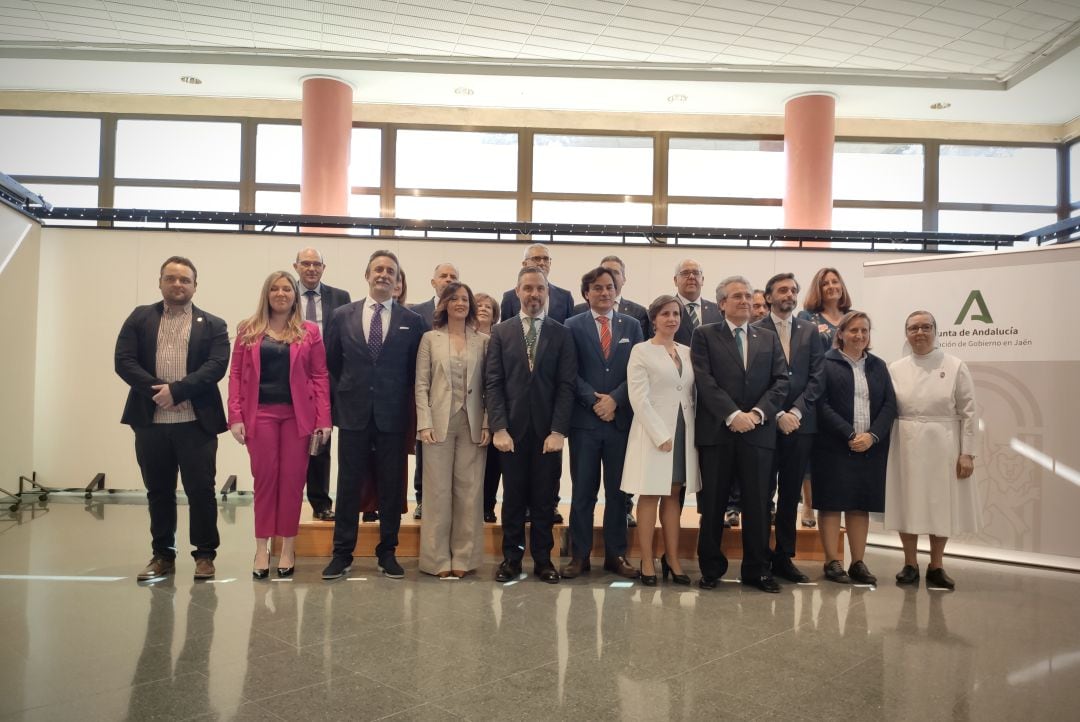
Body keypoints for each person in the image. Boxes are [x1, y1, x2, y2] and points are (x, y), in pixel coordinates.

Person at [114, 256, 229, 581]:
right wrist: (158, 392)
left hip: (196, 423)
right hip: (151, 423)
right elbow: (123, 360)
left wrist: (177, 391)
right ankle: (162, 555)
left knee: (201, 491)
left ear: (195, 285)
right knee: (159, 491)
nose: (178, 284)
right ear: (160, 282)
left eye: (185, 280)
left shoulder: (214, 324)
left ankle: (205, 555)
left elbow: (216, 366)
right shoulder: (140, 318)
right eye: (171, 278)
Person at [321, 250, 427, 580]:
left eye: (390, 271)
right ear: (367, 275)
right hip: (353, 416)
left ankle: (388, 552)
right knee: (348, 484)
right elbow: (331, 364)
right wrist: (346, 397)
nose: (383, 274)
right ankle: (342, 553)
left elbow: (415, 373)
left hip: (393, 418)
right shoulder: (342, 315)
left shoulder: (414, 321)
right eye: (378, 269)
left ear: (397, 281)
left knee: (392, 486)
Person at [227, 271, 332, 578]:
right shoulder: (248, 329)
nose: (281, 293)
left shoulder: (309, 331)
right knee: (265, 481)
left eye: (287, 288)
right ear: (267, 293)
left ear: (294, 295)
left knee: (292, 482)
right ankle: (262, 549)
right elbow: (235, 376)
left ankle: (287, 547)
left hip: (298, 417)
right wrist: (235, 417)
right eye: (275, 288)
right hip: (259, 415)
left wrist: (324, 419)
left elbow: (320, 376)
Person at [691, 275, 788, 593]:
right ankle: (711, 569)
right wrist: (733, 415)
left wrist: (757, 414)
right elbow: (704, 381)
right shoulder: (704, 335)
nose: (745, 301)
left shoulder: (768, 337)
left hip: (758, 433)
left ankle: (757, 570)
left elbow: (781, 382)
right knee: (714, 504)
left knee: (759, 505)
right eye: (737, 296)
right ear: (721, 304)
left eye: (748, 295)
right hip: (719, 432)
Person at [487, 266, 576, 584]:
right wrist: (498, 427)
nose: (534, 294)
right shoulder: (501, 332)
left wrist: (558, 431)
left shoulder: (561, 332)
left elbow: (566, 385)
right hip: (510, 433)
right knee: (511, 500)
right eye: (528, 288)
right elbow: (494, 382)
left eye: (540, 288)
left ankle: (543, 560)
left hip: (546, 434)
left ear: (547, 292)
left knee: (543, 501)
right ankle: (510, 559)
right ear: (517, 292)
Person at [885, 311, 978, 590]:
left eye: (926, 327)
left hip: (943, 444)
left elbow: (969, 412)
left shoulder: (955, 365)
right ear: (906, 333)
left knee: (940, 505)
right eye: (913, 328)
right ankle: (910, 564)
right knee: (908, 502)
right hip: (905, 441)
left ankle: (936, 566)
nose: (920, 332)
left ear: (936, 331)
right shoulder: (895, 368)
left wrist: (967, 453)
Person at [562, 267, 643, 580]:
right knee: (583, 491)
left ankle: (616, 555)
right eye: (597, 288)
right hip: (585, 422)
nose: (605, 292)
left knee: (618, 494)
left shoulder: (633, 326)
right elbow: (568, 372)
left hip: (619, 423)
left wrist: (616, 400)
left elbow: (637, 372)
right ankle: (579, 556)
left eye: (609, 287)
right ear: (587, 293)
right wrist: (595, 400)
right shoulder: (571, 325)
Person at [813, 311, 897, 585]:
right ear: (841, 333)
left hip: (870, 447)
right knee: (831, 503)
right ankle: (832, 561)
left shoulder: (878, 365)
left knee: (860, 505)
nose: (859, 335)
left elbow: (889, 405)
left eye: (864, 331)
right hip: (833, 445)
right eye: (853, 331)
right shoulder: (826, 363)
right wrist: (849, 433)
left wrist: (872, 436)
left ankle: (858, 562)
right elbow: (820, 404)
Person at [622, 295, 700, 585]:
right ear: (654, 319)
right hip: (654, 433)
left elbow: (690, 393)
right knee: (650, 495)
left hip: (683, 431)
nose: (672, 319)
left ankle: (673, 558)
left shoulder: (687, 351)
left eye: (676, 314)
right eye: (665, 314)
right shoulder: (641, 351)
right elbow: (638, 398)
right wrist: (659, 434)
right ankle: (646, 559)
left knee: (674, 495)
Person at [415, 282, 490, 578]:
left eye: (465, 299)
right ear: (444, 303)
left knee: (469, 493)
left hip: (472, 423)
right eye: (454, 298)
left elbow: (489, 387)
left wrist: (487, 423)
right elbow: (421, 384)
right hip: (438, 424)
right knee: (437, 493)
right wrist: (424, 422)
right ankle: (435, 560)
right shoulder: (429, 339)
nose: (460, 303)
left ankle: (464, 558)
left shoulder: (482, 341)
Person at [753, 273, 824, 584]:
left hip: (801, 424)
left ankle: (784, 557)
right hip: (767, 424)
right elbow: (753, 381)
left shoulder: (810, 331)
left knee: (791, 493)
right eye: (782, 290)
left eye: (793, 290)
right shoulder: (755, 330)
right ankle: (759, 558)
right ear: (769, 297)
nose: (789, 294)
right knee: (761, 494)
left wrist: (795, 410)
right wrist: (778, 412)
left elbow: (817, 377)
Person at [293, 247, 351, 523]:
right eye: (306, 263)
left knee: (322, 443)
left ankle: (320, 502)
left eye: (317, 264)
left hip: (326, 380)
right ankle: (290, 499)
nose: (311, 268)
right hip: (290, 379)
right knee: (291, 443)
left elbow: (346, 341)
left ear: (323, 268)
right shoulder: (284, 293)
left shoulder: (340, 298)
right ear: (296, 266)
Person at [797, 267, 854, 529]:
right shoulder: (806, 316)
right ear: (817, 289)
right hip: (816, 390)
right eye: (825, 283)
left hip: (845, 391)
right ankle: (808, 504)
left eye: (835, 281)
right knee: (811, 450)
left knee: (838, 450)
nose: (831, 286)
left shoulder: (852, 317)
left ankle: (835, 507)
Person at [409, 263, 460, 519]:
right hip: (427, 391)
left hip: (458, 396)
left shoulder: (463, 312)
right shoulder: (417, 313)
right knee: (424, 449)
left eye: (453, 277)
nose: (448, 280)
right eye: (444, 276)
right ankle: (422, 499)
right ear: (433, 281)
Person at [571, 255, 651, 339]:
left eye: (615, 272)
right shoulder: (578, 311)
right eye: (606, 271)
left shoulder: (638, 312)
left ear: (624, 279)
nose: (610, 275)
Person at [474, 292, 503, 523]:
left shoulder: (502, 337)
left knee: (493, 463)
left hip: (495, 407)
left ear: (495, 315)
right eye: (479, 305)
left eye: (488, 306)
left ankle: (488, 505)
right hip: (470, 409)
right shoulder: (463, 337)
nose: (483, 308)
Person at [500, 243, 575, 323]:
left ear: (550, 263)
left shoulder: (565, 297)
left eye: (546, 259)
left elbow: (569, 331)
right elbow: (505, 331)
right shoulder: (510, 297)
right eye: (536, 258)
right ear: (524, 264)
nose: (542, 263)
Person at [673, 258, 721, 346]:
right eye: (685, 273)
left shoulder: (718, 311)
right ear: (675, 280)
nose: (691, 277)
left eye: (696, 273)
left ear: (702, 280)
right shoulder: (665, 311)